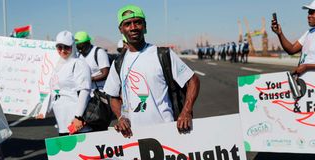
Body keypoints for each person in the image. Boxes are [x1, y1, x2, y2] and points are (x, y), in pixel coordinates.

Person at [104, 4, 200, 138]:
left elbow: (192, 80)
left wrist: (187, 111)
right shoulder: (118, 63)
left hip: (167, 131)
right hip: (134, 135)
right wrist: (120, 117)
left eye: (138, 22)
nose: (133, 27)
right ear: (121, 29)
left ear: (145, 26)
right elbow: (112, 95)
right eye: (127, 24)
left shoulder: (162, 54)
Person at [37, 31, 92, 136]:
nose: (62, 51)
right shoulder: (57, 67)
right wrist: (44, 111)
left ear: (73, 47)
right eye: (59, 47)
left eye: (66, 47)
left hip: (76, 123)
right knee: (67, 150)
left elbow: (84, 91)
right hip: (62, 122)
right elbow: (54, 92)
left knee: (79, 151)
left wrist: (78, 117)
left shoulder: (79, 64)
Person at [271, 1, 315, 75]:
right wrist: (279, 33)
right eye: (308, 13)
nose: (308, 16)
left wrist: (307, 67)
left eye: (312, 12)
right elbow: (291, 49)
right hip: (306, 83)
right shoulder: (309, 32)